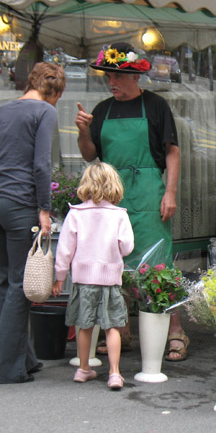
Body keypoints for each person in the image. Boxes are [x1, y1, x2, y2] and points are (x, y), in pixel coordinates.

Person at [75, 42, 188, 361]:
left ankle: (175, 330)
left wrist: (171, 192)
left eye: (118, 76)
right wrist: (84, 131)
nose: (111, 82)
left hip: (149, 193)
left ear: (135, 77)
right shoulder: (102, 110)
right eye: (108, 76)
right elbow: (89, 154)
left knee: (158, 263)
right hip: (110, 196)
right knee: (114, 262)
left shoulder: (155, 106)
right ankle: (121, 330)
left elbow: (172, 152)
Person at [0, 62, 65, 384]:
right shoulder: (44, 112)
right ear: (54, 90)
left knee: (7, 279)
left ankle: (24, 358)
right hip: (18, 205)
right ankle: (4, 368)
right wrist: (44, 208)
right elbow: (42, 164)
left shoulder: (3, 110)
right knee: (20, 285)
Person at [52, 162, 134, 390]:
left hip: (83, 279)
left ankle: (83, 368)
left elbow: (65, 249)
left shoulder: (75, 213)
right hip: (109, 280)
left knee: (84, 325)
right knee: (113, 326)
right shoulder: (119, 215)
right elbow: (127, 247)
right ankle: (115, 373)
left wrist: (60, 277)